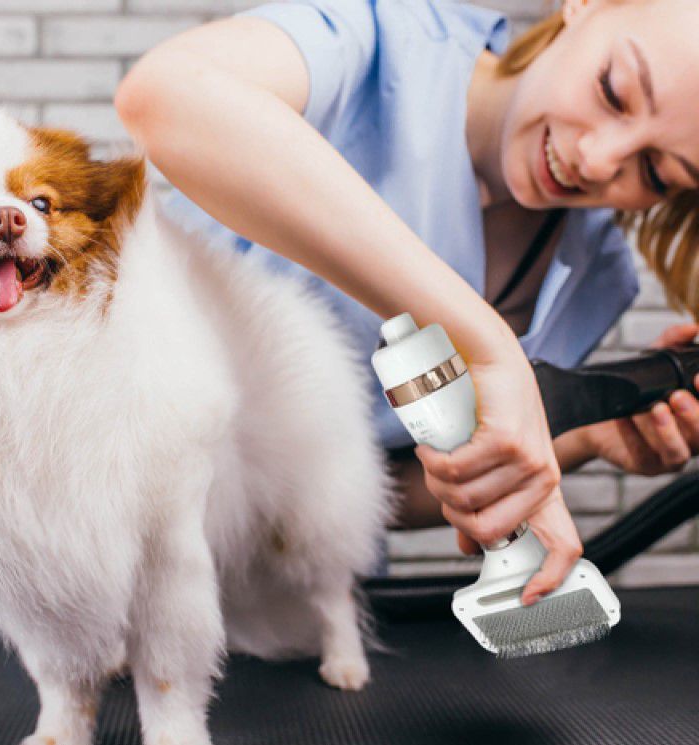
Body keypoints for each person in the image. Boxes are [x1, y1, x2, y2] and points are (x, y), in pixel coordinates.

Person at [115, 0, 699, 602]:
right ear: (584, 6)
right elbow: (165, 95)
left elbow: (383, 492)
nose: (598, 160)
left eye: (655, 172)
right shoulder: (378, 39)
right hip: (106, 532)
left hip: (299, 603)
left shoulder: (593, 279)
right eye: (614, 90)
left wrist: (579, 439)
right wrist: (486, 342)